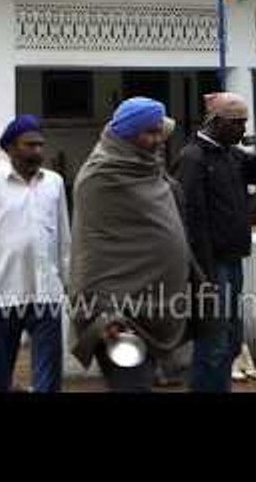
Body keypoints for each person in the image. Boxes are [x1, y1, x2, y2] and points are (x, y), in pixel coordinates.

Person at [68, 97, 191, 392]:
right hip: (116, 317)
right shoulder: (99, 179)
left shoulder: (149, 170)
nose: (158, 140)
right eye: (150, 132)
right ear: (126, 135)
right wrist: (103, 314)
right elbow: (90, 255)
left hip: (158, 308)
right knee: (132, 386)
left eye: (160, 132)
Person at [178, 92, 256, 393]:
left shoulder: (231, 155)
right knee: (214, 341)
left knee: (232, 340)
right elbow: (192, 219)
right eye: (237, 123)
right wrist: (204, 273)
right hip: (211, 265)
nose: (243, 129)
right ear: (217, 122)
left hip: (232, 260)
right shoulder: (193, 158)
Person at [0, 115, 71, 393]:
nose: (37, 151)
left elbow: (64, 238)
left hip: (46, 293)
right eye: (30, 145)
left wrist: (68, 281)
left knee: (49, 379)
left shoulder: (54, 183)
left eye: (40, 145)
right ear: (10, 148)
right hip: (2, 293)